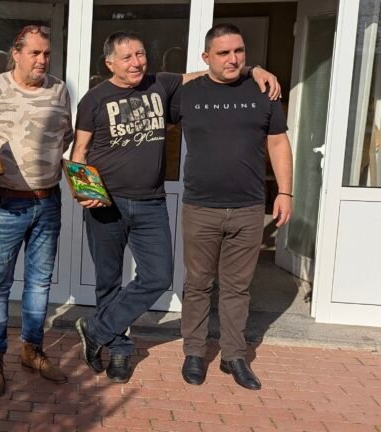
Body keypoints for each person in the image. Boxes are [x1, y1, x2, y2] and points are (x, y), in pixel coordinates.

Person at [72, 31, 281, 383]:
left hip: (151, 202)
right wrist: (82, 192)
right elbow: (79, 151)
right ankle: (119, 349)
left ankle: (95, 329)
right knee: (108, 280)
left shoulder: (161, 83)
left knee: (158, 277)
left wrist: (254, 70)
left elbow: (212, 70)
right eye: (127, 57)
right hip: (106, 201)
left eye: (141, 54)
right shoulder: (94, 99)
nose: (137, 63)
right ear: (110, 63)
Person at [170, 23, 293, 390]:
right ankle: (194, 352)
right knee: (197, 284)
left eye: (239, 51)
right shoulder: (187, 94)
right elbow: (150, 90)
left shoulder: (264, 92)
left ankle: (234, 355)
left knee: (237, 288)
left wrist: (285, 192)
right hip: (200, 207)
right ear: (206, 57)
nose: (233, 58)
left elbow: (278, 143)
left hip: (248, 208)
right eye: (223, 53)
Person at [0, 24, 73, 398]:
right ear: (16, 53)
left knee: (39, 283)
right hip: (5, 204)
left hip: (48, 201)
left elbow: (67, 136)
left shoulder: (59, 90)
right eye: (35, 53)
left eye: (47, 54)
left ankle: (32, 350)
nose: (42, 60)